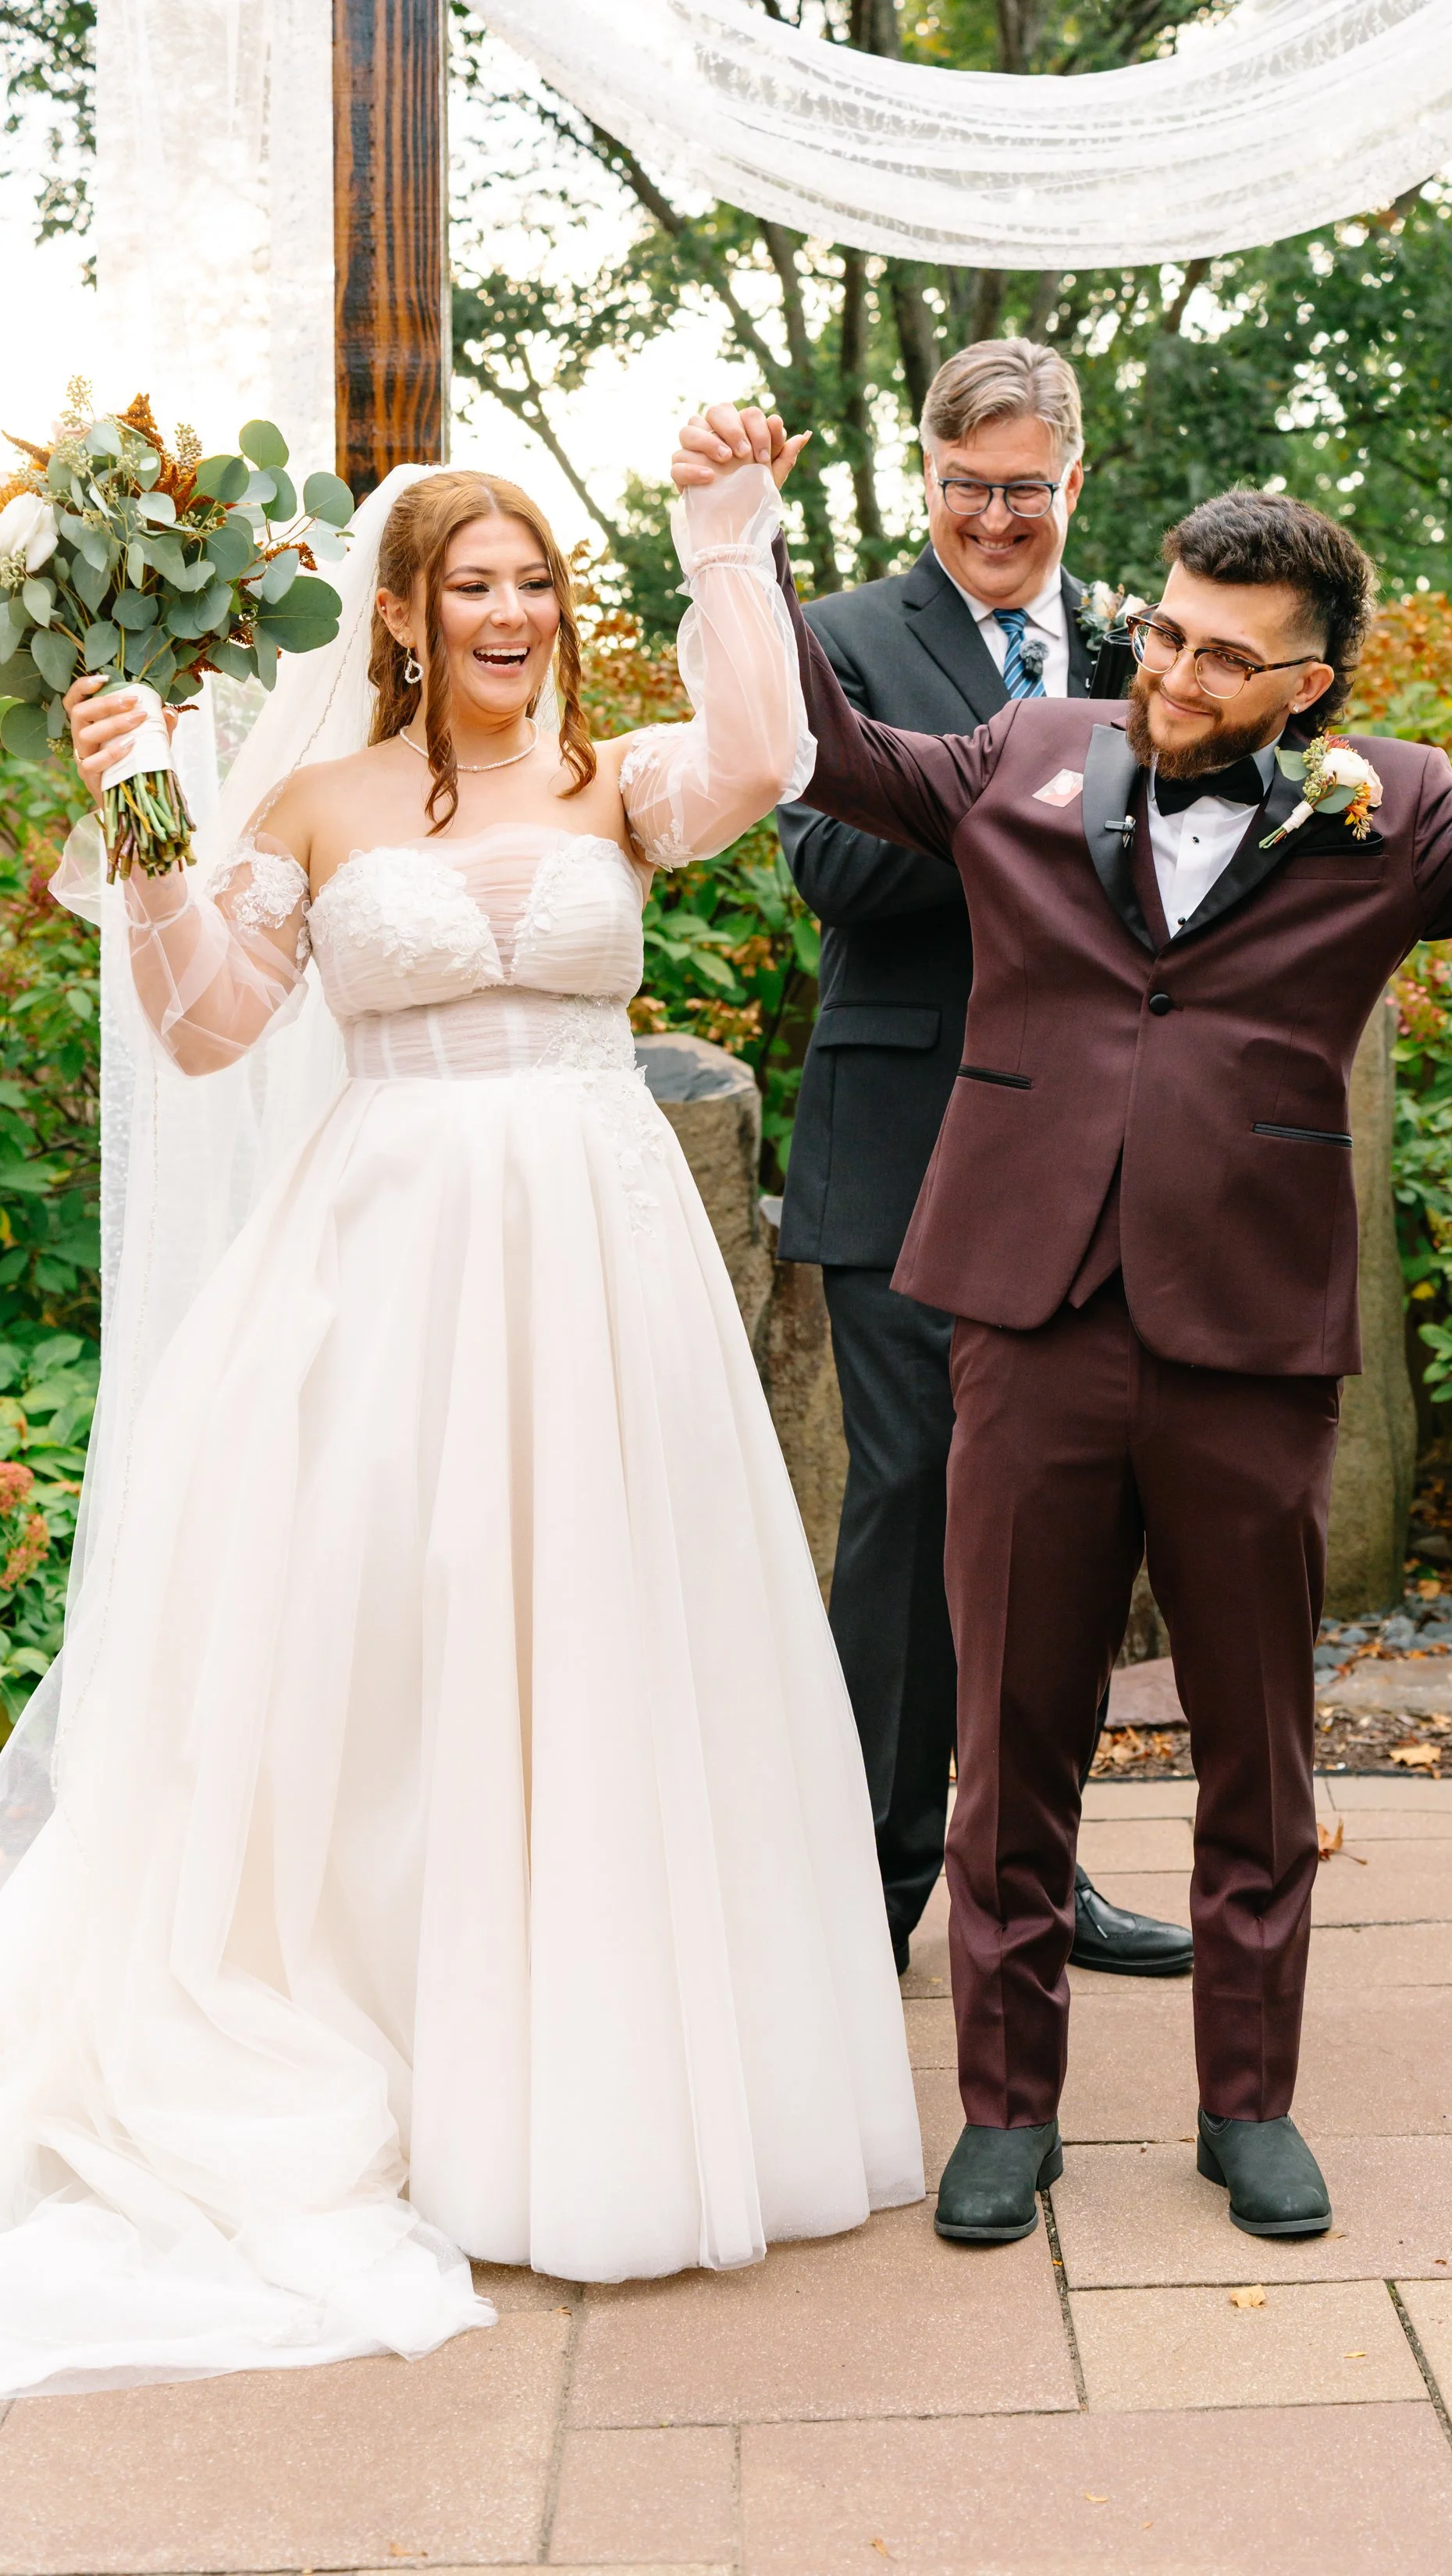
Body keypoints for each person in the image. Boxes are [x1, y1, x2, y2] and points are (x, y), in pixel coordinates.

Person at [677, 406, 1452, 2246]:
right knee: (1010, 1731)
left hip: (1244, 1331)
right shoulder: (1023, 749)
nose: (1171, 674)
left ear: (1308, 689)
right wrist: (734, 537)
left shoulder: (1382, 806)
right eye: (1161, 633)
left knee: (1256, 1743)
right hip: (1030, 1310)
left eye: (1225, 658)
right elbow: (823, 754)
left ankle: (1248, 2105)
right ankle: (1007, 2108)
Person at [0, 411, 921, 2400]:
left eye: (529, 583)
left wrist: (726, 531)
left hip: (600, 1268)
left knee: (606, 1633)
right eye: (467, 587)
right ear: (404, 620)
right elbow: (207, 1023)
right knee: (389, 1652)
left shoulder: (617, 783)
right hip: (390, 1260)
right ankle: (404, 2048)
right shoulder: (320, 802)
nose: (505, 611)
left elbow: (768, 757)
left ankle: (599, 2075)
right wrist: (150, 811)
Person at [776, 339, 1190, 1984]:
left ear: (1068, 483)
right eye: (964, 490)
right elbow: (830, 865)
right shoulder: (840, 642)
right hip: (901, 1136)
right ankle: (860, 1881)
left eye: (1023, 488)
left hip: (1093, 1152)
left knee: (1060, 1517)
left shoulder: (1144, 643)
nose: (993, 517)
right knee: (906, 1499)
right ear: (922, 484)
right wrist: (1044, 785)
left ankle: (1034, 1868)